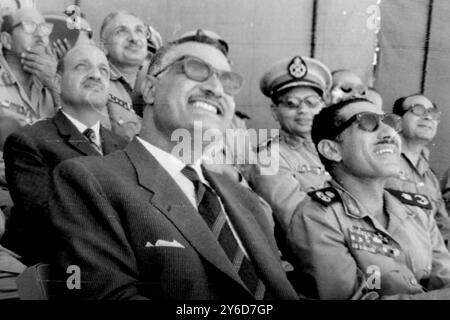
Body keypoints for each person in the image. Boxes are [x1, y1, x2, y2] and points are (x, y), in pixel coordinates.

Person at [46, 33, 298, 300]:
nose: (216, 89)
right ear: (151, 89)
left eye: (227, 80)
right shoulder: (90, 181)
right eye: (196, 70)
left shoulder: (246, 200)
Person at [285, 98, 450, 299]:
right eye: (368, 122)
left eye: (390, 123)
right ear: (332, 150)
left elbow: (445, 278)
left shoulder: (417, 210)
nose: (389, 133)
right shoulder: (316, 217)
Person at [2, 44, 128, 265]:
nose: (95, 75)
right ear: (58, 82)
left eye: (104, 70)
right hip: (63, 269)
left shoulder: (125, 147)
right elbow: (50, 221)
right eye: (82, 67)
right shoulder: (29, 141)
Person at [250, 55, 332, 232]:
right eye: (291, 104)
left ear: (323, 106)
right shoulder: (268, 158)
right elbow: (299, 223)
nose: (303, 110)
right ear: (275, 112)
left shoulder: (336, 149)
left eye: (311, 102)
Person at [386, 94, 450, 248]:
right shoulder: (384, 163)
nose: (428, 117)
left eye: (432, 113)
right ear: (397, 121)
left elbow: (443, 229)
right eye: (418, 110)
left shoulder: (430, 178)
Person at [0, 8, 58, 127]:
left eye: (44, 28)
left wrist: (54, 85)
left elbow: (75, 135)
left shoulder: (52, 83)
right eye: (29, 26)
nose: (40, 34)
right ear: (7, 40)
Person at [99, 11, 150, 141]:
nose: (133, 38)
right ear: (104, 45)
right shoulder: (97, 82)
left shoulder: (158, 83)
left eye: (139, 31)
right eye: (121, 31)